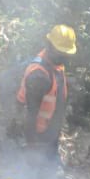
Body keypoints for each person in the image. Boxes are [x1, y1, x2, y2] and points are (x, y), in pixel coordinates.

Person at [16, 25, 76, 159]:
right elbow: (29, 114)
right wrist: (32, 147)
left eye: (66, 53)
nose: (63, 57)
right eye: (60, 52)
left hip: (49, 136)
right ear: (49, 46)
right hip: (37, 138)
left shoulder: (56, 64)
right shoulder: (38, 76)